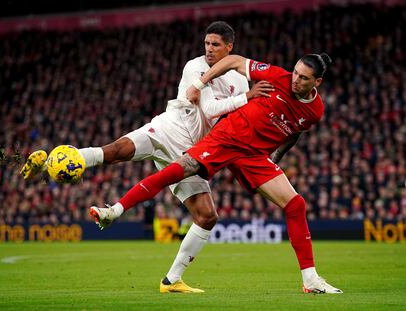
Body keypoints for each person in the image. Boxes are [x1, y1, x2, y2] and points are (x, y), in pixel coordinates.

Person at [20, 21, 273, 293]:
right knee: (116, 151)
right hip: (168, 128)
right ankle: (47, 164)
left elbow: (233, 117)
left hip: (193, 151)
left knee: (207, 216)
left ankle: (171, 280)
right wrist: (248, 97)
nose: (209, 49)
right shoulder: (195, 67)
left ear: (229, 47)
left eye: (215, 45)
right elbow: (210, 109)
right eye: (206, 44)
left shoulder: (238, 78)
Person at [91, 52, 344, 294]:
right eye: (296, 73)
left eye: (302, 78)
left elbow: (296, 131)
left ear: (317, 82)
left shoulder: (315, 111)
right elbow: (234, 60)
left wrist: (277, 156)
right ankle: (115, 211)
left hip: (254, 155)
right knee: (176, 172)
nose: (295, 80)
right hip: (227, 136)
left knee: (296, 204)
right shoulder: (278, 76)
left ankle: (311, 279)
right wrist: (200, 84)